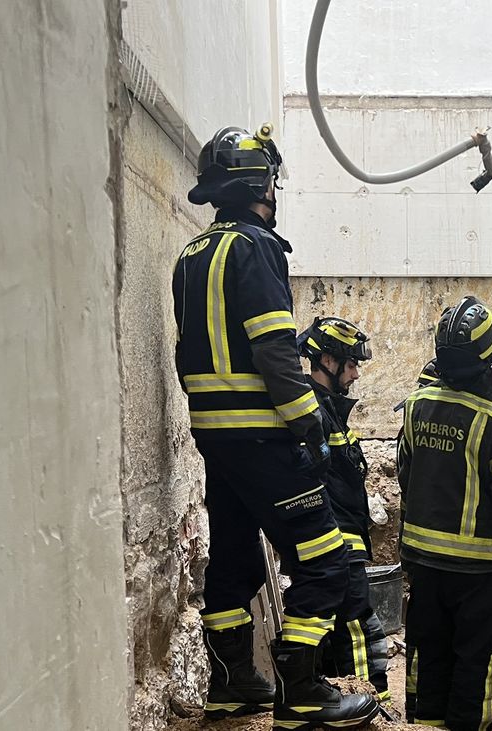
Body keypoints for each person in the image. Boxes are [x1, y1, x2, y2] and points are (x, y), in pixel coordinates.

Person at [172, 124, 377, 727]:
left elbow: (187, 353)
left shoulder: (192, 255)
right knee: (325, 559)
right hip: (263, 434)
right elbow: (275, 350)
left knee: (233, 559)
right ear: (262, 186)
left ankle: (233, 684)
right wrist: (309, 424)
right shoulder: (256, 248)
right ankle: (302, 692)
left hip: (216, 437)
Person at [397, 296, 492, 730]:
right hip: (482, 572)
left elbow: (407, 476)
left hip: (423, 563)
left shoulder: (416, 404)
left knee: (429, 656)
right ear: (489, 354)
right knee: (478, 665)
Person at [297, 316, 390, 703]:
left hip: (345, 534)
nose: (355, 374)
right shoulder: (311, 411)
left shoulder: (329, 408)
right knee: (357, 628)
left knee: (348, 628)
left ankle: (354, 703)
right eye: (351, 364)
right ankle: (370, 706)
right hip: (334, 538)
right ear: (327, 361)